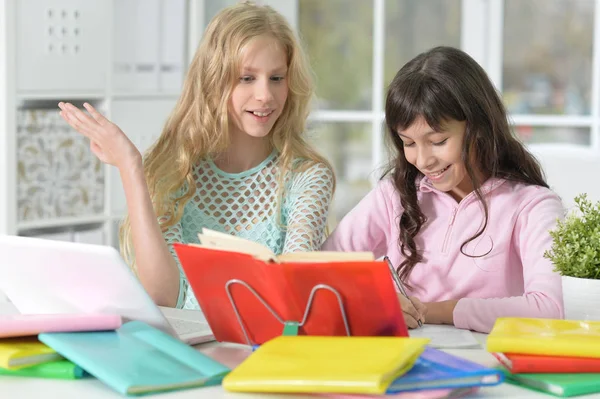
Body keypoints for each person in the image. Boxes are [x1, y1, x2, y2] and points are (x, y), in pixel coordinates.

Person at [58, 2, 335, 311]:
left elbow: (293, 298)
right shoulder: (175, 170)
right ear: (214, 79)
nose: (265, 95)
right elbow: (165, 298)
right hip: (186, 352)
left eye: (276, 78)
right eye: (246, 78)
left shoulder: (307, 178)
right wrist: (131, 167)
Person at [322, 46, 564, 333]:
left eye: (437, 141)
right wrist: (370, 301)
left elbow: (549, 309)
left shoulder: (532, 206)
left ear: (479, 128)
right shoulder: (394, 196)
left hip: (486, 364)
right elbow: (321, 269)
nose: (423, 160)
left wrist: (439, 311)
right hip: (401, 361)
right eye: (408, 143)